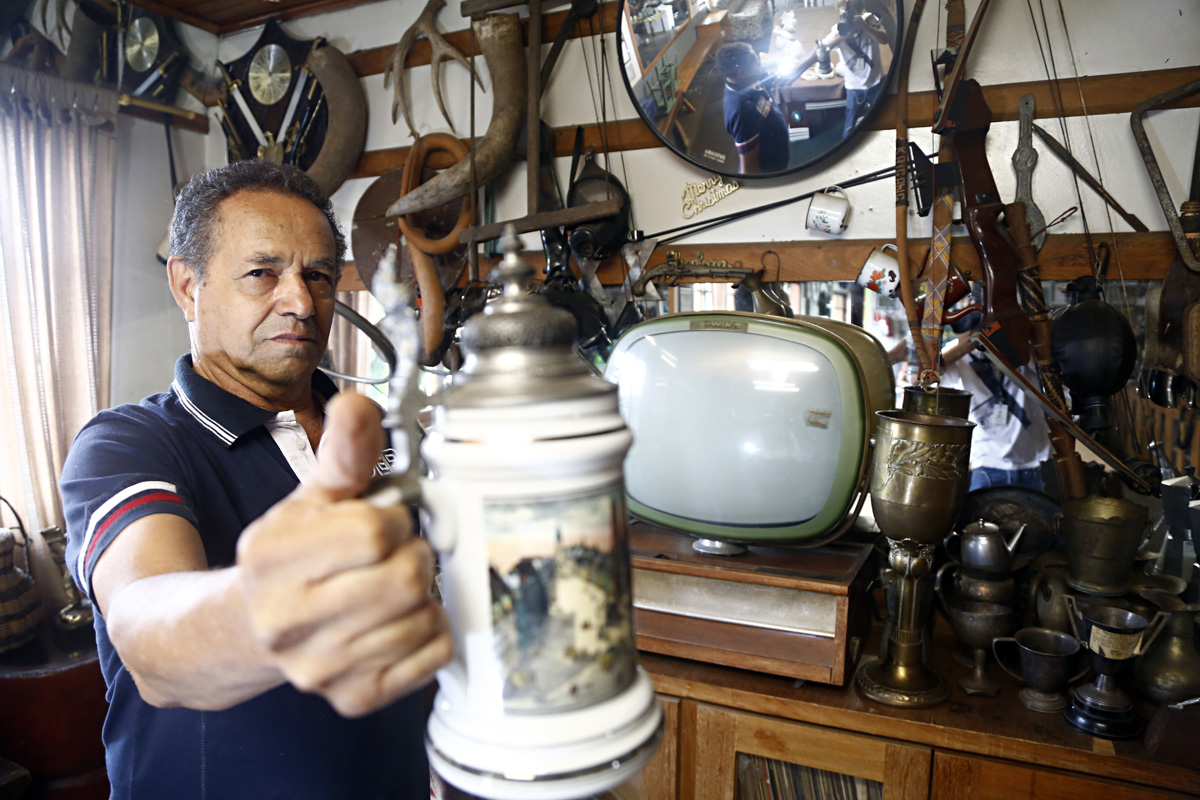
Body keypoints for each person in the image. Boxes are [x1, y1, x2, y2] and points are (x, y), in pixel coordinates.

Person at [59, 160, 452, 799]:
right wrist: (265, 610)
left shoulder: (374, 432)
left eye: (317, 275)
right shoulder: (128, 444)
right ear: (188, 286)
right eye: (262, 273)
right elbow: (147, 630)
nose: (300, 301)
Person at [939, 312, 1052, 492]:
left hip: (1037, 459)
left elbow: (1045, 364)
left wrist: (1002, 337)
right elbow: (921, 379)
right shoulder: (957, 353)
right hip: (987, 460)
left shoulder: (1018, 345)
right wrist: (964, 347)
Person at [717, 41, 790, 175]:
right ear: (742, 73)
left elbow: (780, 79)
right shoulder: (742, 112)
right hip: (769, 173)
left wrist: (814, 57)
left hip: (777, 155)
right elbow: (749, 167)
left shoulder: (749, 80)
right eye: (756, 62)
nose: (760, 65)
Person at [828, 0, 888, 137]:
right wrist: (842, 36)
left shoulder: (870, 20)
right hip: (854, 87)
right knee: (850, 126)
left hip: (875, 82)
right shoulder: (837, 30)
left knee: (883, 118)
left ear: (859, 11)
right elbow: (821, 50)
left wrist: (865, 27)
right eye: (843, 14)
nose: (847, 18)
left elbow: (884, 39)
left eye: (849, 14)